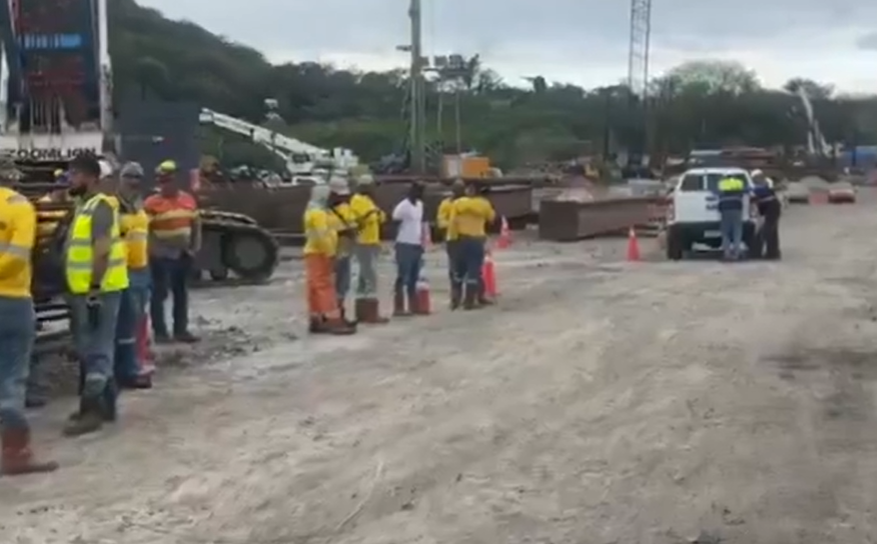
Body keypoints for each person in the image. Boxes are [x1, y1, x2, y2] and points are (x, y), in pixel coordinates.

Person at [62, 154, 129, 436]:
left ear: (90, 177)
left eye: (74, 174)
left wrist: (93, 288)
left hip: (99, 289)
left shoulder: (99, 207)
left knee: (96, 349)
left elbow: (101, 250)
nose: (70, 179)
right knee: (95, 347)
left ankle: (91, 411)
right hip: (87, 288)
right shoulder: (84, 206)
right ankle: (107, 405)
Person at [0, 157, 58, 474]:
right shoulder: (20, 206)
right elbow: (18, 257)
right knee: (12, 376)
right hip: (12, 300)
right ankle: (15, 453)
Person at [144, 160, 200, 344]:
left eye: (169, 180)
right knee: (159, 294)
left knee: (181, 293)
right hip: (162, 256)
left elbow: (196, 224)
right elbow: (145, 231)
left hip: (183, 254)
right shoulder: (152, 203)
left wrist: (194, 247)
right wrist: (154, 251)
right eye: (163, 181)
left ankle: (180, 330)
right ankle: (160, 332)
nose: (166, 184)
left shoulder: (188, 200)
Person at [113, 162, 152, 389]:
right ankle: (126, 369)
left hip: (141, 270)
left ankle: (133, 364)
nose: (134, 181)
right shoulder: (113, 206)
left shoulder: (139, 205)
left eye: (138, 177)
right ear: (121, 178)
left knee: (137, 321)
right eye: (130, 177)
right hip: (122, 270)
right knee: (125, 324)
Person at [303, 185, 355, 335]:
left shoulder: (313, 211)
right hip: (321, 253)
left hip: (313, 252)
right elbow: (322, 235)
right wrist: (331, 253)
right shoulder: (318, 213)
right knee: (325, 286)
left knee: (314, 287)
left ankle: (316, 318)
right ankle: (333, 319)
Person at [349, 175, 389, 323]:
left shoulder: (369, 201)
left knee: (364, 277)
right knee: (369, 276)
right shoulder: (357, 200)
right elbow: (363, 218)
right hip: (363, 242)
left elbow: (382, 217)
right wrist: (373, 213)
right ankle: (371, 313)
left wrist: (375, 213)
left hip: (373, 242)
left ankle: (362, 312)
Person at [391, 181, 426, 316]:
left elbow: (420, 224)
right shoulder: (403, 207)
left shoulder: (420, 205)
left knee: (414, 276)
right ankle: (398, 307)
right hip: (404, 243)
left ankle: (414, 306)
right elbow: (395, 223)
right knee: (402, 276)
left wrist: (422, 242)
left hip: (416, 244)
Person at [326, 177, 357, 324]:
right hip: (342, 249)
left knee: (333, 284)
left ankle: (332, 314)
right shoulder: (345, 208)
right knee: (341, 284)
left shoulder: (324, 211)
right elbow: (352, 228)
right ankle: (337, 315)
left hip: (330, 251)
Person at [436, 179, 465, 309]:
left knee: (471, 269)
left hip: (467, 238)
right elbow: (441, 221)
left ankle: (473, 296)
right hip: (453, 239)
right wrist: (453, 224)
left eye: (461, 189)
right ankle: (455, 297)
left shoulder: (468, 203)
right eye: (457, 189)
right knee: (454, 269)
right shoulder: (446, 204)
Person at [471, 183, 497, 306]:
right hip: (479, 237)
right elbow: (491, 220)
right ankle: (478, 296)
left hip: (467, 238)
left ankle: (468, 297)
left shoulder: (462, 203)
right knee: (477, 269)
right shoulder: (484, 205)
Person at [751, 169, 781, 260]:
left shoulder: (767, 182)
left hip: (772, 208)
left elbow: (761, 191)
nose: (755, 180)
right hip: (770, 208)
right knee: (772, 231)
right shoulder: (759, 184)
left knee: (767, 231)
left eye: (755, 178)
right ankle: (773, 253)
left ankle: (766, 253)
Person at [717, 175, 746, 261]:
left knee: (725, 232)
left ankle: (727, 254)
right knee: (737, 232)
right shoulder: (739, 185)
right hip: (737, 209)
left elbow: (718, 195)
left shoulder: (722, 185)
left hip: (725, 209)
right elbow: (744, 193)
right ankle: (736, 254)